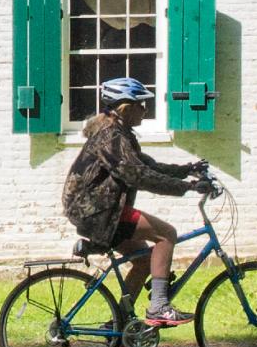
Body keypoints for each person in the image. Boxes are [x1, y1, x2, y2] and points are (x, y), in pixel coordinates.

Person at [62, 77, 213, 326]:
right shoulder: (110, 137)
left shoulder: (118, 134)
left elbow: (146, 165)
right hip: (100, 212)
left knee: (143, 260)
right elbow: (137, 175)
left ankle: (120, 325)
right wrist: (187, 187)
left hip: (100, 210)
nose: (145, 109)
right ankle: (159, 308)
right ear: (125, 107)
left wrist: (187, 170)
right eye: (141, 104)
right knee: (166, 234)